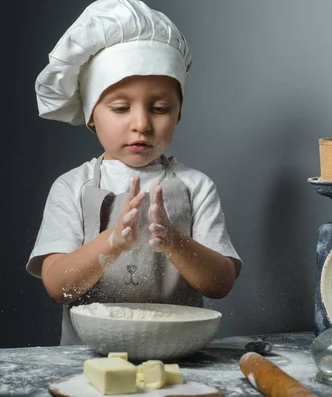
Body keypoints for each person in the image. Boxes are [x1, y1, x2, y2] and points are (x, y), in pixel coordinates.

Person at [26, 0, 242, 345]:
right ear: (91, 113)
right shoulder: (72, 187)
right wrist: (110, 243)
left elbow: (220, 284)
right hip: (88, 361)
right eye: (121, 107)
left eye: (160, 108)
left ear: (179, 114)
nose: (141, 123)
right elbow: (56, 286)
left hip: (179, 359)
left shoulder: (197, 187)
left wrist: (174, 242)